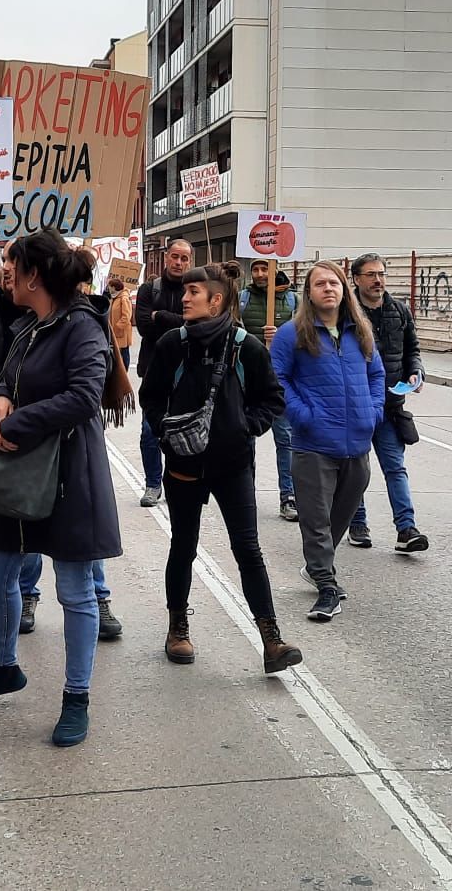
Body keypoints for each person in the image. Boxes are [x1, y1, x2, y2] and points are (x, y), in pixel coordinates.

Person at [0, 230, 127, 749]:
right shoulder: (31, 324)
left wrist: (19, 422)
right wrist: (3, 396)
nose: (6, 272)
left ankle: (77, 698)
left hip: (70, 474)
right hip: (22, 474)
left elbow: (84, 397)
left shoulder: (82, 327)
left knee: (74, 591)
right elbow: (9, 374)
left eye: (13, 264)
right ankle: (3, 667)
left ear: (34, 275)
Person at [141, 263, 302, 674]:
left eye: (195, 291)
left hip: (233, 467)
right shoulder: (172, 345)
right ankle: (177, 629)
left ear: (217, 300)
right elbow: (151, 397)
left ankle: (272, 639)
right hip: (182, 468)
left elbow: (272, 399)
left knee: (248, 549)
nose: (185, 297)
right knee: (184, 546)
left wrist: (244, 428)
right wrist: (165, 432)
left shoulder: (246, 347)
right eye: (185, 291)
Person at [271, 260, 383, 623]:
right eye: (320, 284)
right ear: (309, 292)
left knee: (341, 515)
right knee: (316, 520)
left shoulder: (359, 330)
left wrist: (373, 412)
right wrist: (307, 417)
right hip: (313, 445)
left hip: (357, 443)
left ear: (343, 289)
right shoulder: (293, 333)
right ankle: (327, 586)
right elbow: (278, 380)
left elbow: (377, 373)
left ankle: (317, 566)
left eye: (334, 283)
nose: (328, 289)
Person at [346, 253, 430, 552]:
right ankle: (357, 524)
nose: (377, 280)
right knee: (357, 469)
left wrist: (416, 372)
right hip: (355, 407)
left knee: (395, 468)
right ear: (356, 279)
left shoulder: (399, 311)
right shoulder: (346, 313)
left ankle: (406, 529)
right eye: (370, 275)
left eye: (381, 274)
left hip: (391, 407)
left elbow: (413, 349)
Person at [132, 239, 194, 506]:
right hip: (153, 372)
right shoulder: (149, 289)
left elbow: (195, 325)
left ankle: (174, 482)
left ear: (190, 261)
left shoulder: (195, 289)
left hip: (186, 372)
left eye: (184, 258)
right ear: (165, 257)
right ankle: (152, 484)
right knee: (150, 431)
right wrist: (176, 320)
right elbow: (144, 327)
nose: (179, 263)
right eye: (175, 257)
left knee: (182, 430)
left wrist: (161, 316)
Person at [240, 259, 299, 520]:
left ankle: (288, 496)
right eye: (256, 269)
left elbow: (303, 333)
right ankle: (244, 492)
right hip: (249, 379)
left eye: (266, 269)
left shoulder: (293, 300)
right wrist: (254, 341)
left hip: (281, 380)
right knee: (244, 435)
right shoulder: (243, 298)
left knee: (285, 439)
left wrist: (282, 336)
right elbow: (234, 329)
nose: (261, 274)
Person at [107, 276, 135, 372]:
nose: (109, 288)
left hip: (122, 333)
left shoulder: (124, 298)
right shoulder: (114, 297)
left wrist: (117, 327)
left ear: (114, 287)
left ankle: (124, 373)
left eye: (110, 286)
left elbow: (126, 316)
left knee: (124, 354)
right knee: (117, 355)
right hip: (115, 332)